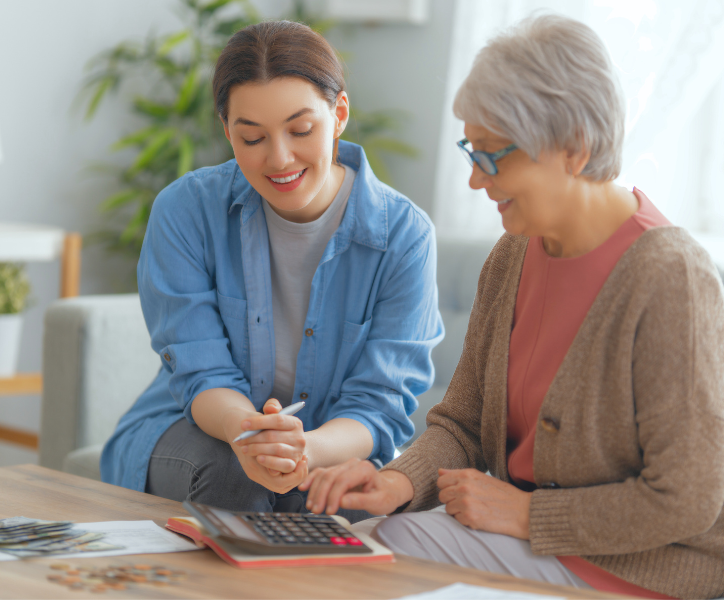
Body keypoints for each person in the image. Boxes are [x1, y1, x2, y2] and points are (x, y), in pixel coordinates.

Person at [300, 14, 724, 598]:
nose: (475, 180)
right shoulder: (513, 254)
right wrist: (398, 479)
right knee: (358, 543)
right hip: (526, 545)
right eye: (470, 151)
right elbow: (463, 423)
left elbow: (690, 497)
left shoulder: (669, 276)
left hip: (638, 568)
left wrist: (526, 517)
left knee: (361, 563)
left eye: (492, 157)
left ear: (574, 148)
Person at [99, 20, 443, 522]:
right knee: (236, 478)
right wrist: (252, 436)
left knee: (329, 499)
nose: (278, 158)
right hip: (197, 432)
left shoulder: (404, 236)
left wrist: (305, 449)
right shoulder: (185, 211)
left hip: (329, 442)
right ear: (227, 131)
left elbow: (380, 402)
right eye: (253, 137)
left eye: (300, 130)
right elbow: (201, 372)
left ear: (339, 113)